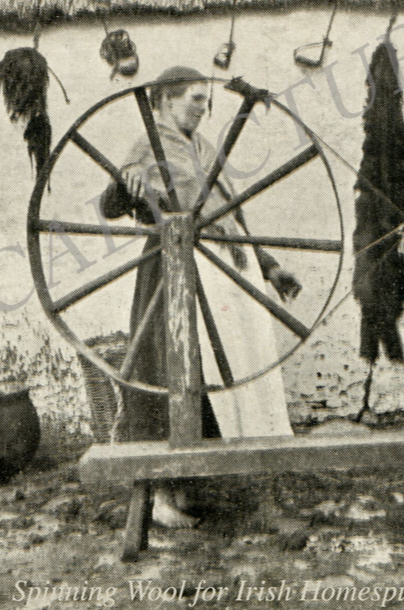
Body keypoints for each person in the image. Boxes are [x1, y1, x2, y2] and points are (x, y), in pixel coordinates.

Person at [100, 66, 302, 528]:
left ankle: (198, 486)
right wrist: (124, 183)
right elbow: (110, 206)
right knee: (173, 371)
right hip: (172, 274)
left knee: (224, 374)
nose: (203, 107)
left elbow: (231, 216)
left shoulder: (204, 148)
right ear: (166, 101)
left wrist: (269, 267)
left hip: (222, 273)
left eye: (206, 99)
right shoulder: (147, 146)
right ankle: (165, 497)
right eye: (195, 98)